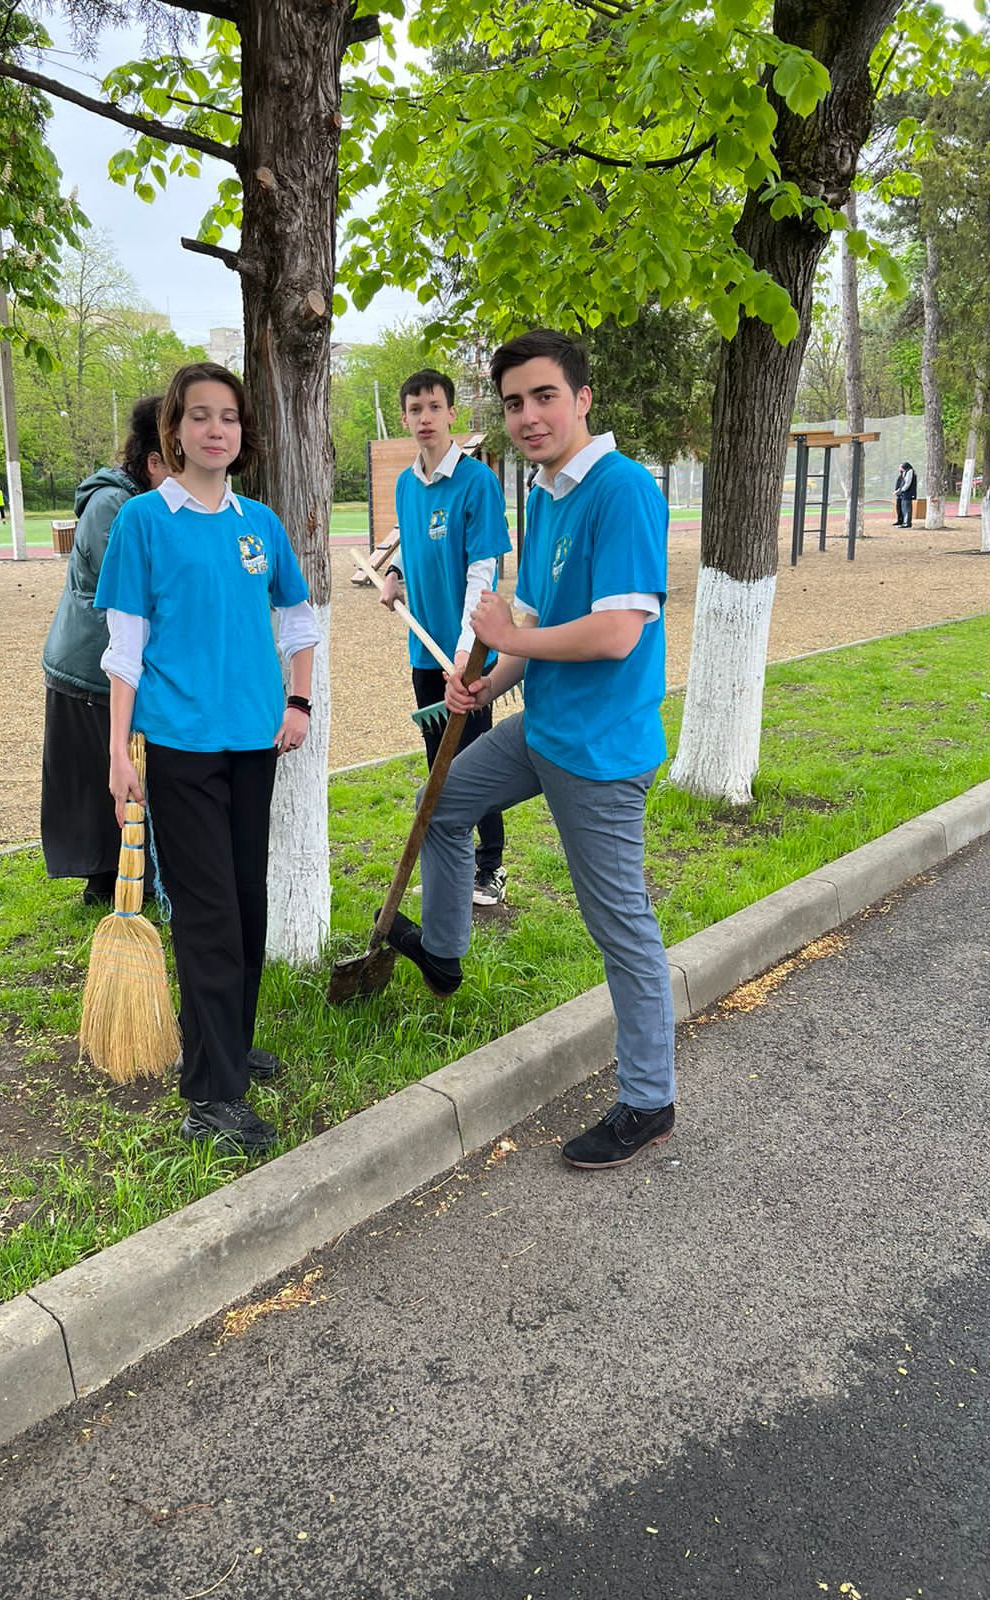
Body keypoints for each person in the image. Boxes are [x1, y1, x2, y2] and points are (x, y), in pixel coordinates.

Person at [384, 329, 675, 1173]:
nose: (529, 415)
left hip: (600, 752)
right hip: (540, 728)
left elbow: (619, 633)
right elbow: (540, 623)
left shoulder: (622, 491)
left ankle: (650, 1101)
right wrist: (490, 679)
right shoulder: (546, 490)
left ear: (583, 398)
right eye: (514, 402)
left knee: (619, 926)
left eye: (545, 396)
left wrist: (509, 640)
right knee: (442, 807)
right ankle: (443, 954)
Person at [95, 362, 321, 1156]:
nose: (215, 429)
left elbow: (297, 621)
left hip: (254, 744)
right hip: (182, 749)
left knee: (246, 907)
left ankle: (230, 1041)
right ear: (175, 431)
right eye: (199, 416)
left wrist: (297, 704)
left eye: (227, 416)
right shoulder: (144, 524)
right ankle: (211, 1096)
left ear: (241, 432)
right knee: (207, 916)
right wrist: (122, 750)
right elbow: (125, 650)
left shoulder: (260, 524)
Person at [380, 369, 512, 906]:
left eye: (434, 407)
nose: (425, 418)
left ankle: (492, 866)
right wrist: (397, 578)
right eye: (415, 409)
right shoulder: (406, 484)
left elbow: (482, 576)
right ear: (406, 418)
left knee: (476, 763)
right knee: (440, 766)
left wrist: (466, 655)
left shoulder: (477, 483)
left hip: (467, 656)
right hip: (424, 653)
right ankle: (452, 864)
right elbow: (415, 549)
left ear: (452, 413)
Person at [41, 396, 167, 905]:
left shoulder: (138, 499)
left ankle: (128, 875)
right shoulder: (114, 505)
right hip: (89, 663)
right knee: (102, 780)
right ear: (152, 460)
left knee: (119, 772)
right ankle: (107, 882)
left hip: (110, 661)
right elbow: (132, 591)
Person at [893, 462, 916, 528]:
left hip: (907, 494)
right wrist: (898, 491)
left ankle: (907, 523)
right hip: (903, 493)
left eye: (901, 467)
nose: (899, 468)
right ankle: (903, 522)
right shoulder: (905, 472)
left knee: (907, 509)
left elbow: (907, 484)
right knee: (903, 508)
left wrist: (901, 490)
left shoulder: (910, 471)